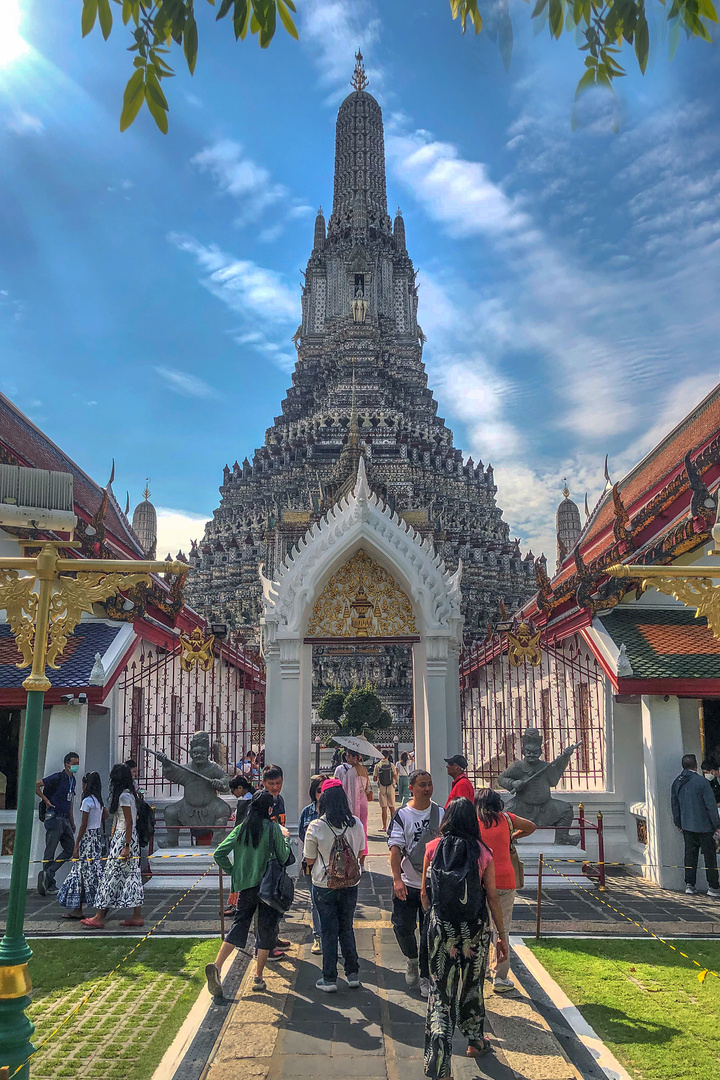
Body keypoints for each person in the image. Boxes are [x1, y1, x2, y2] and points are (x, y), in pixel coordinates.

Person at [420, 797, 508, 1074]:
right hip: (474, 930)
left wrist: (433, 919)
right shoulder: (483, 852)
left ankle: (439, 1059)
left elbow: (424, 893)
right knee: (472, 986)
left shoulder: (433, 848)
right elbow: (492, 896)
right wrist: (501, 934)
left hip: (441, 928)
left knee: (440, 991)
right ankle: (474, 1041)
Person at [206, 789, 292, 996]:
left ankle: (217, 966)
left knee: (239, 924)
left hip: (245, 886)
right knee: (266, 929)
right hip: (267, 888)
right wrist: (286, 839)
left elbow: (219, 854)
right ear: (270, 809)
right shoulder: (272, 829)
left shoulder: (240, 830)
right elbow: (284, 856)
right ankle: (258, 976)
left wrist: (234, 872)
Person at [303, 779, 366, 993]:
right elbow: (360, 853)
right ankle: (353, 973)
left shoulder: (317, 826)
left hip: (324, 884)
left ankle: (329, 978)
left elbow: (309, 859)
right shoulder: (356, 824)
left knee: (329, 930)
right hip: (350, 883)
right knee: (346, 927)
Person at [388, 769, 444, 998]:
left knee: (429, 934)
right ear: (411, 788)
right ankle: (411, 958)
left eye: (429, 784)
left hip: (432, 883)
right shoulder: (403, 816)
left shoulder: (441, 813)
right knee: (402, 926)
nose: (427, 788)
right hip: (408, 883)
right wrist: (396, 879)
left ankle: (425, 975)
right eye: (422, 785)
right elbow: (394, 849)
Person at [475, 788, 536, 991]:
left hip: (481, 879)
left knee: (479, 927)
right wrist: (512, 836)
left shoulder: (475, 821)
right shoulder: (506, 819)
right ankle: (500, 977)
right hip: (505, 878)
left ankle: (479, 969)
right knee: (502, 929)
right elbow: (531, 826)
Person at [81, 763, 144, 928]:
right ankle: (136, 915)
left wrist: (126, 845)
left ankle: (99, 916)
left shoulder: (123, 796)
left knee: (109, 875)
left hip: (124, 838)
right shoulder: (131, 795)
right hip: (130, 837)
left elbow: (128, 822)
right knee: (132, 876)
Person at [57, 771, 108, 920]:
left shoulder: (87, 801)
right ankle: (97, 905)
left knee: (79, 873)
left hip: (86, 839)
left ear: (86, 784)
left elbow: (83, 824)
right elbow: (105, 815)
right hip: (96, 838)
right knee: (93, 873)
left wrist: (76, 844)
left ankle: (78, 908)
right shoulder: (98, 801)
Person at [671, 753, 720, 897]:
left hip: (687, 826)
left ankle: (689, 884)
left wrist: (678, 823)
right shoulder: (701, 782)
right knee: (709, 857)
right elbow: (711, 806)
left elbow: (675, 805)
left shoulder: (677, 782)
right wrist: (717, 825)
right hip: (704, 826)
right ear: (695, 764)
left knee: (690, 855)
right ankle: (713, 886)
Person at [36, 751, 80, 896]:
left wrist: (72, 821)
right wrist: (46, 800)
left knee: (69, 849)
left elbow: (71, 801)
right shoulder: (58, 777)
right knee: (50, 850)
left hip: (65, 819)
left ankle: (48, 874)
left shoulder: (73, 781)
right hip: (54, 817)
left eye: (77, 764)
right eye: (74, 764)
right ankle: (48, 883)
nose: (76, 767)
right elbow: (37, 785)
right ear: (66, 765)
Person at [261, 763, 290, 956]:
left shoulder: (280, 800)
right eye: (271, 783)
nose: (274, 787)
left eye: (278, 783)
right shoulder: (261, 802)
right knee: (265, 905)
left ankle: (274, 937)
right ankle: (264, 946)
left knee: (277, 900)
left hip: (278, 855)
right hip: (265, 858)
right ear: (263, 783)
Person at [299, 775, 324, 954]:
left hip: (329, 863)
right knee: (315, 901)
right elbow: (302, 834)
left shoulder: (335, 811)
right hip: (310, 861)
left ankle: (333, 936)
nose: (321, 794)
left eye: (325, 790)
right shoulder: (307, 812)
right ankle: (319, 937)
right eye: (318, 790)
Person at [335, 750, 370, 856]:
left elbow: (348, 792)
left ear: (355, 757)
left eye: (348, 755)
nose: (346, 757)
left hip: (354, 802)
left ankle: (355, 854)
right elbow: (367, 787)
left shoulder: (351, 772)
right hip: (363, 801)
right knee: (363, 828)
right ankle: (363, 854)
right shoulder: (363, 769)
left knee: (354, 830)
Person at [374, 751, 398, 832]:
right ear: (388, 756)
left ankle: (384, 826)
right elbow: (395, 776)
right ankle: (394, 826)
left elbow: (374, 778)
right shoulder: (391, 765)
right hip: (390, 787)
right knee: (392, 808)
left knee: (383, 809)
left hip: (382, 788)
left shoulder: (377, 765)